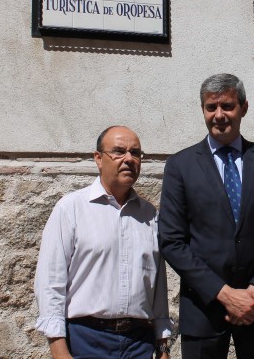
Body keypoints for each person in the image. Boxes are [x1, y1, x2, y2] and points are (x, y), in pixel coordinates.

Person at [159, 73, 254, 359]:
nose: (219, 115)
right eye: (211, 107)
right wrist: (224, 294)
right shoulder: (180, 166)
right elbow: (172, 241)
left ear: (244, 108)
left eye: (227, 106)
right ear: (203, 110)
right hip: (204, 309)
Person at [34, 125, 174, 359]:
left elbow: (157, 286)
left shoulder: (149, 216)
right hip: (86, 340)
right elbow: (50, 282)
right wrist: (59, 350)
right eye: (119, 151)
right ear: (98, 159)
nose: (129, 159)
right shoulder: (71, 209)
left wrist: (162, 346)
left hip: (139, 343)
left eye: (136, 153)